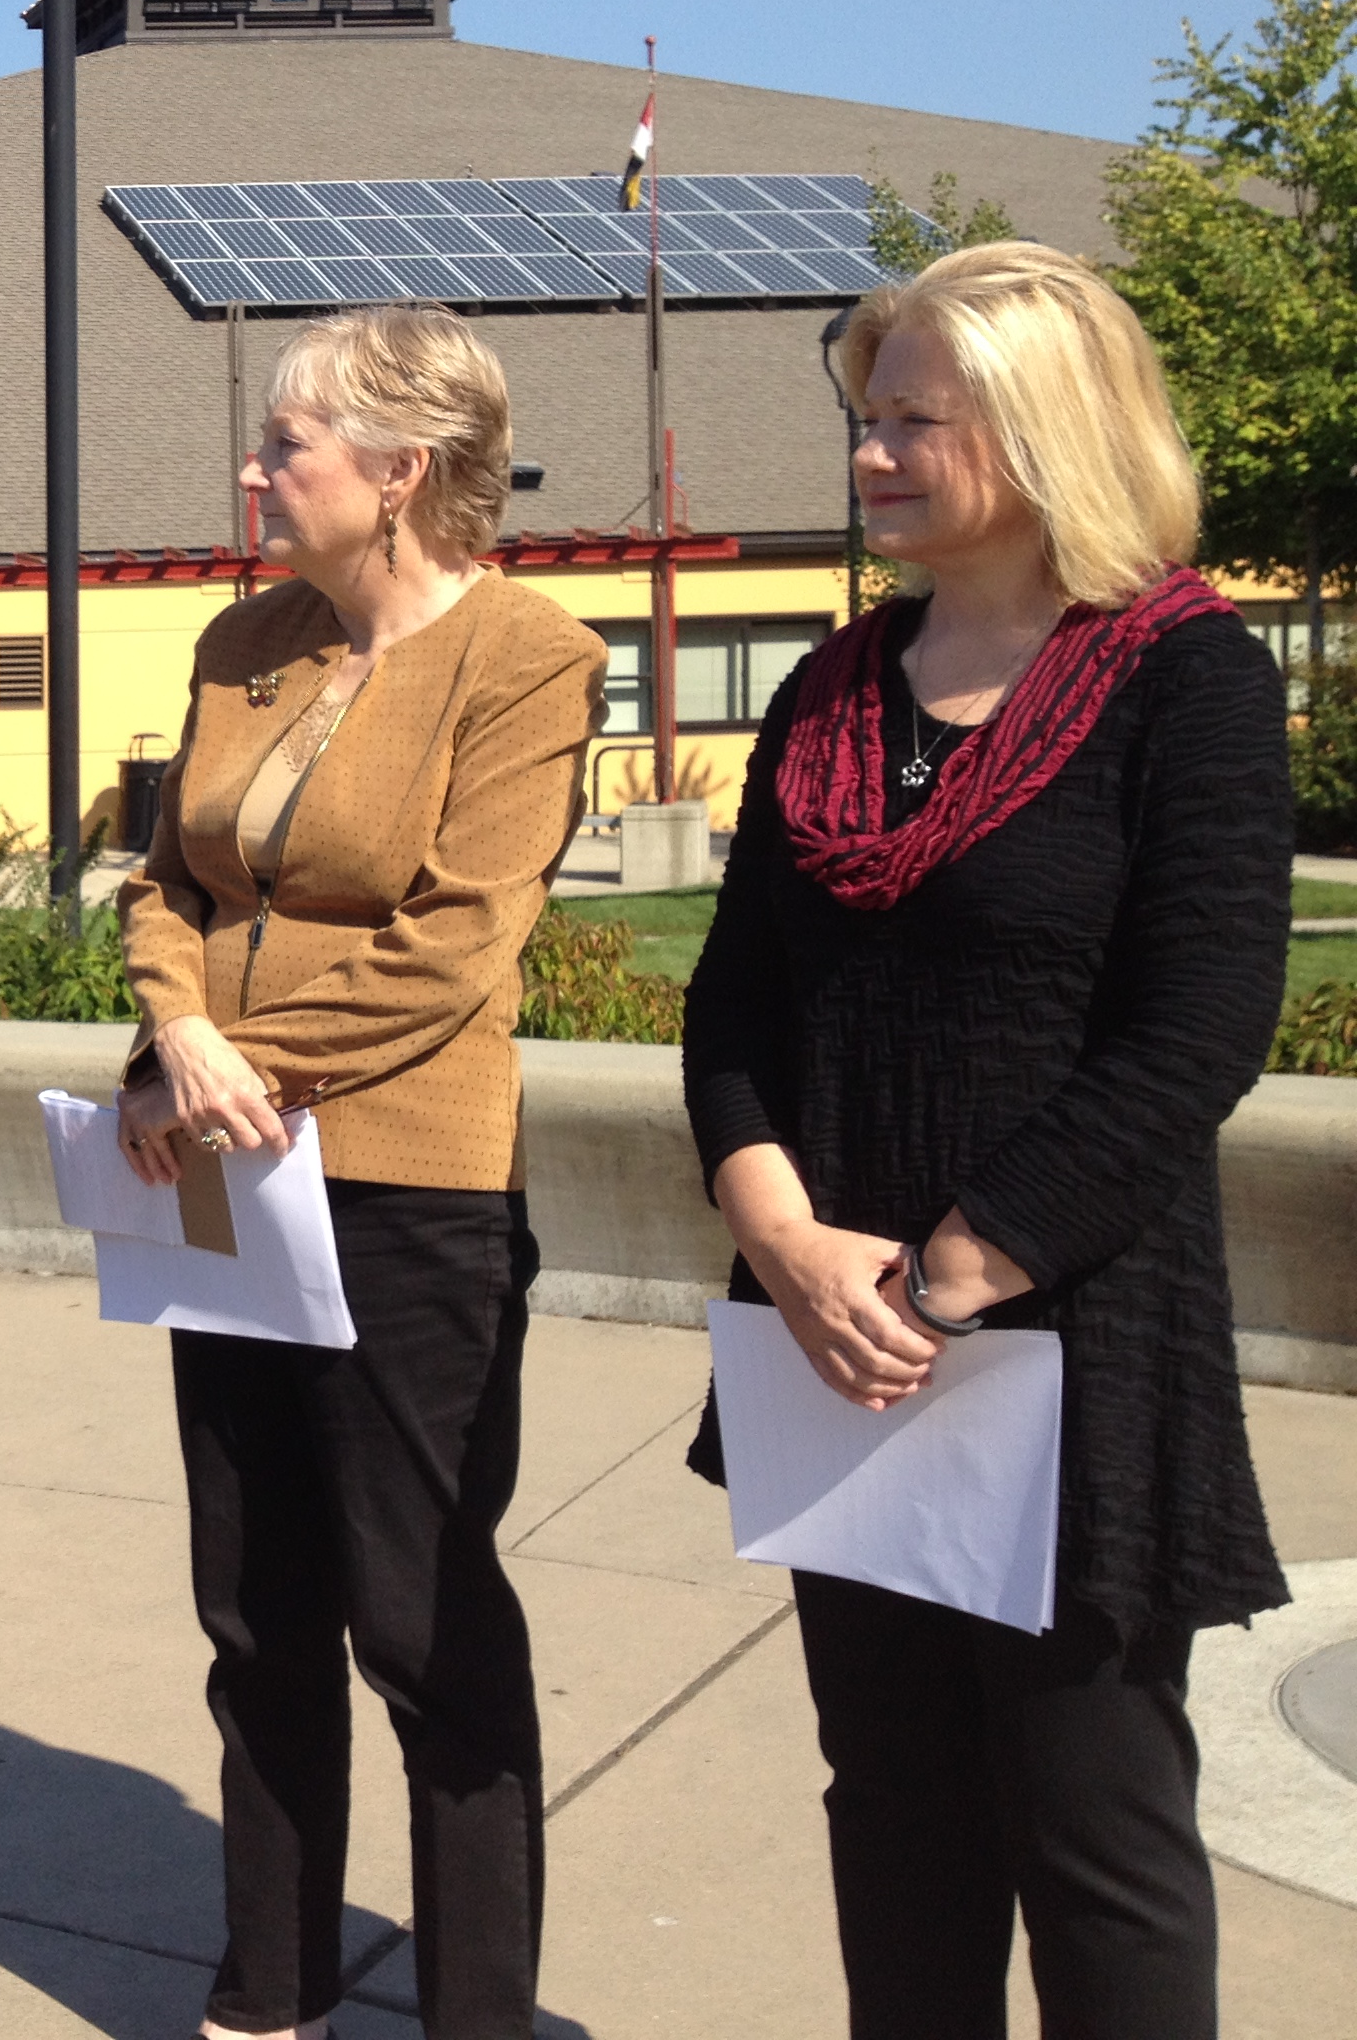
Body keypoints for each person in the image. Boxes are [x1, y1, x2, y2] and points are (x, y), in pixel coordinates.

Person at [682, 243, 1291, 2040]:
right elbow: (730, 1013)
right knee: (891, 1814)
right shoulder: (827, 691)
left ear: (1037, 429)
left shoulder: (1176, 678)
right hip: (829, 1339)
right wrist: (792, 1245)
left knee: (1091, 1833)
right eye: (863, 418)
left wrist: (949, 1276)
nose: (867, 452)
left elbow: (1193, 1029)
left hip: (1064, 1348)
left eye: (909, 421)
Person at [115, 303, 605, 2040]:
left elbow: (459, 942)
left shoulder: (526, 654)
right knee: (254, 1607)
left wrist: (252, 1063)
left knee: (418, 1617)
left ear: (398, 471)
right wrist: (177, 1029)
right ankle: (268, 1991)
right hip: (210, 1164)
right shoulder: (241, 635)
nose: (255, 467)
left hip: (402, 1183)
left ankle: (474, 2010)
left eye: (286, 443)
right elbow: (164, 876)